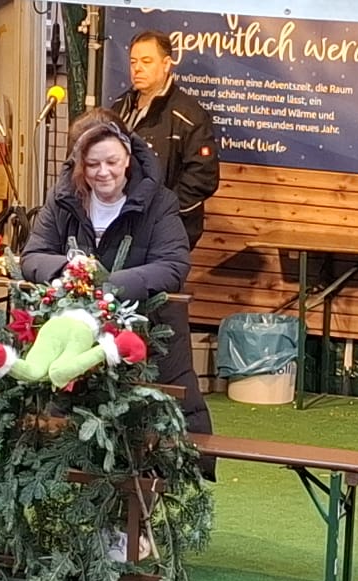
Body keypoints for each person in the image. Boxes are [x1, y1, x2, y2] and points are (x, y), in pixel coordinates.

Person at [21, 111, 212, 440]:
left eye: (111, 161)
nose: (102, 172)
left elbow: (173, 265)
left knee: (145, 451)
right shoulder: (62, 199)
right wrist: (70, 272)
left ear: (127, 156)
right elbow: (32, 256)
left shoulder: (160, 202)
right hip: (75, 346)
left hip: (148, 345)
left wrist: (107, 285)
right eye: (92, 164)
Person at [112, 30, 220, 248]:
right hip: (121, 221)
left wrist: (164, 210)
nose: (137, 68)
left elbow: (204, 176)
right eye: (133, 62)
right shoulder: (119, 107)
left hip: (168, 229)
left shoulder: (190, 115)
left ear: (166, 63)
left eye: (146, 61)